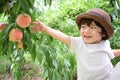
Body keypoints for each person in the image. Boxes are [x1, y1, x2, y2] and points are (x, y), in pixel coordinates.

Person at [31, 8, 120, 80]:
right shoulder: (79, 43)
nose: (86, 31)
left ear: (103, 33)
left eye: (92, 28)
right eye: (83, 27)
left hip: (108, 76)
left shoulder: (104, 43)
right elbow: (63, 37)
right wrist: (45, 29)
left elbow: (109, 54)